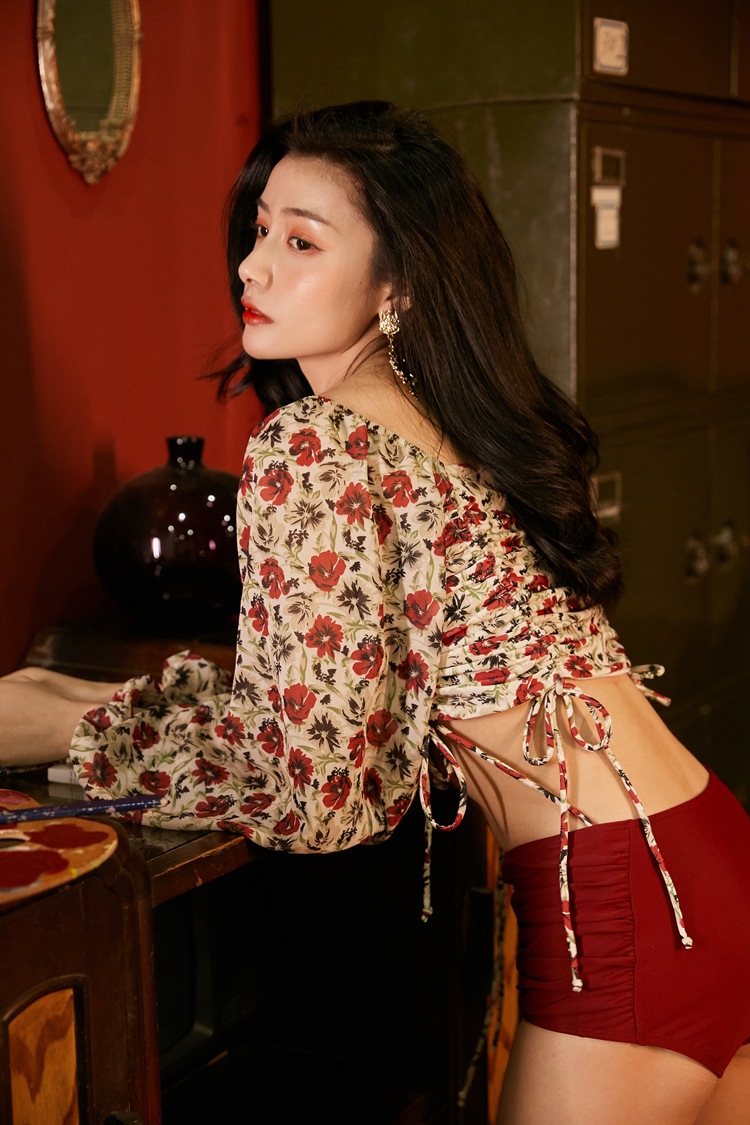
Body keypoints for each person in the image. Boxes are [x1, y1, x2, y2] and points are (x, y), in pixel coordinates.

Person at [2, 101, 748, 1124]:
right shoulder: (456, 416)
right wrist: (115, 706)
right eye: (259, 230)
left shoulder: (314, 445)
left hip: (617, 908)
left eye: (302, 241)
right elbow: (363, 711)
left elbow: (324, 799)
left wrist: (82, 732)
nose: (253, 266)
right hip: (706, 848)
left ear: (398, 283)